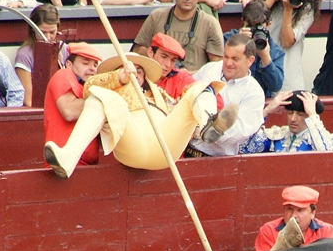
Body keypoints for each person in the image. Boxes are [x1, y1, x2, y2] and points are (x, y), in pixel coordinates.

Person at [44, 53, 232, 176]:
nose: (135, 73)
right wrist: (120, 77)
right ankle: (68, 157)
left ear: (145, 76)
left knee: (198, 89)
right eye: (128, 69)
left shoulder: (159, 94)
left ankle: (208, 123)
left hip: (165, 144)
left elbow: (181, 121)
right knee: (100, 97)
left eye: (139, 70)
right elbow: (89, 88)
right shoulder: (111, 90)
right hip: (134, 144)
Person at [131, 0, 225, 73]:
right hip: (158, 82)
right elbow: (137, 52)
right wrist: (157, 62)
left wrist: (188, 74)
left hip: (193, 84)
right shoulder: (157, 16)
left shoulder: (210, 24)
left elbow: (217, 66)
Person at [186, 34, 265, 157]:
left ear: (250, 61)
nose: (228, 63)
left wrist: (199, 130)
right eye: (226, 57)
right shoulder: (211, 68)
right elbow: (188, 92)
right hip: (185, 149)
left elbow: (238, 132)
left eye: (235, 59)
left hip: (217, 160)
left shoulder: (254, 93)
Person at [261, 0, 321, 92]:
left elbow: (286, 41)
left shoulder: (308, 7)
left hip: (288, 79)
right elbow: (251, 19)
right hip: (263, 72)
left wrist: (289, 9)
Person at [43, 41, 103, 168]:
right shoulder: (64, 74)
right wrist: (105, 97)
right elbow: (69, 111)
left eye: (95, 65)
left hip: (88, 167)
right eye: (85, 63)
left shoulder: (90, 88)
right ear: (69, 64)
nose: (92, 68)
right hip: (62, 166)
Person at [241, 90, 333, 153]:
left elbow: (327, 154)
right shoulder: (277, 135)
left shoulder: (321, 139)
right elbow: (245, 146)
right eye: (290, 113)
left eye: (300, 114)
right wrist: (266, 111)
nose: (293, 119)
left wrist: (313, 115)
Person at [224, 0, 284, 97]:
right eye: (250, 27)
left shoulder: (275, 50)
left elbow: (276, 86)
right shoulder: (228, 39)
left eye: (259, 28)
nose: (254, 33)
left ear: (269, 25)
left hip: (258, 101)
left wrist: (266, 59)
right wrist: (238, 41)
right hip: (230, 96)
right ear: (242, 21)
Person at [255, 185, 333, 251]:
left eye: (300, 210)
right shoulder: (268, 230)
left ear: (313, 213)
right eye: (289, 209)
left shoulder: (327, 231)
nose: (293, 216)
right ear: (284, 210)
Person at [15, 4, 67, 107]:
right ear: (33, 29)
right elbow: (28, 100)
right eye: (42, 32)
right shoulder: (25, 55)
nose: (47, 37)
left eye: (52, 32)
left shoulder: (64, 48)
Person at [146, 33, 196, 100]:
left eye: (173, 60)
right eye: (164, 57)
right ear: (150, 53)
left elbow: (205, 93)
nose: (168, 64)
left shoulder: (181, 78)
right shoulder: (136, 74)